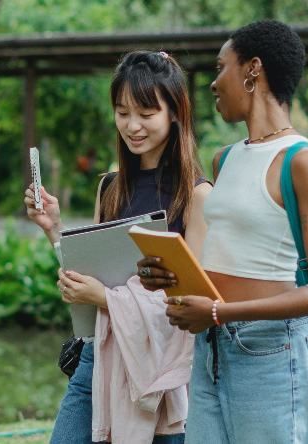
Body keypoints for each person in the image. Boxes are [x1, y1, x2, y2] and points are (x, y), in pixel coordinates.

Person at [136, 20, 308, 444]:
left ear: (252, 70)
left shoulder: (302, 162)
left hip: (271, 351)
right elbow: (229, 260)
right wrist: (170, 280)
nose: (214, 83)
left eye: (221, 68)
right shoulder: (225, 160)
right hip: (212, 347)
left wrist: (219, 313)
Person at [24, 50, 212, 444]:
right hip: (99, 360)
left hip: (161, 377)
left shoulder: (197, 195)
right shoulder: (110, 187)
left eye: (146, 113)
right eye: (122, 112)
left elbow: (194, 303)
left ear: (175, 112)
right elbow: (95, 271)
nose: (132, 125)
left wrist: (108, 300)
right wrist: (55, 230)